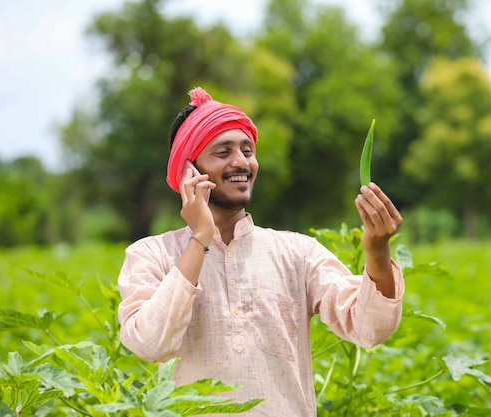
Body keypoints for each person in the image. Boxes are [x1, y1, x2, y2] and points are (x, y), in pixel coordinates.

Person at [117, 87, 405, 416]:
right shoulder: (151, 255)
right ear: (189, 173)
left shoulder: (297, 253)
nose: (241, 161)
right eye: (223, 152)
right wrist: (200, 237)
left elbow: (369, 327)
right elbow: (150, 342)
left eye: (248, 150)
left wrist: (378, 251)